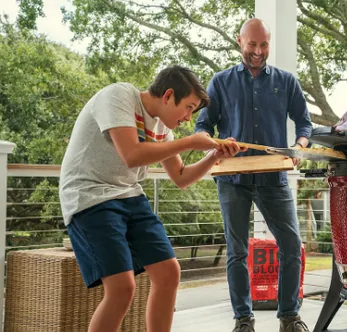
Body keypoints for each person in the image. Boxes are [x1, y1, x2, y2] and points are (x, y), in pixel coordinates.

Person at [59, 65, 246, 332]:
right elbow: (132, 155)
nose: (188, 117)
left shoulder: (163, 130)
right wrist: (191, 142)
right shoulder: (118, 95)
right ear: (169, 95)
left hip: (129, 195)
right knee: (122, 288)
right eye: (189, 107)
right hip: (89, 196)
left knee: (169, 273)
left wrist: (214, 156)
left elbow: (181, 177)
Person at [194, 18, 313, 332]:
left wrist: (299, 147)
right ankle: (243, 320)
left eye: (264, 45)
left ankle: (289, 317)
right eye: (252, 45)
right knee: (237, 252)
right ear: (240, 42)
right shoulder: (220, 81)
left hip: (274, 178)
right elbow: (202, 127)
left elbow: (304, 123)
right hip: (232, 180)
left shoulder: (287, 82)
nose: (258, 51)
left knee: (291, 245)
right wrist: (216, 144)